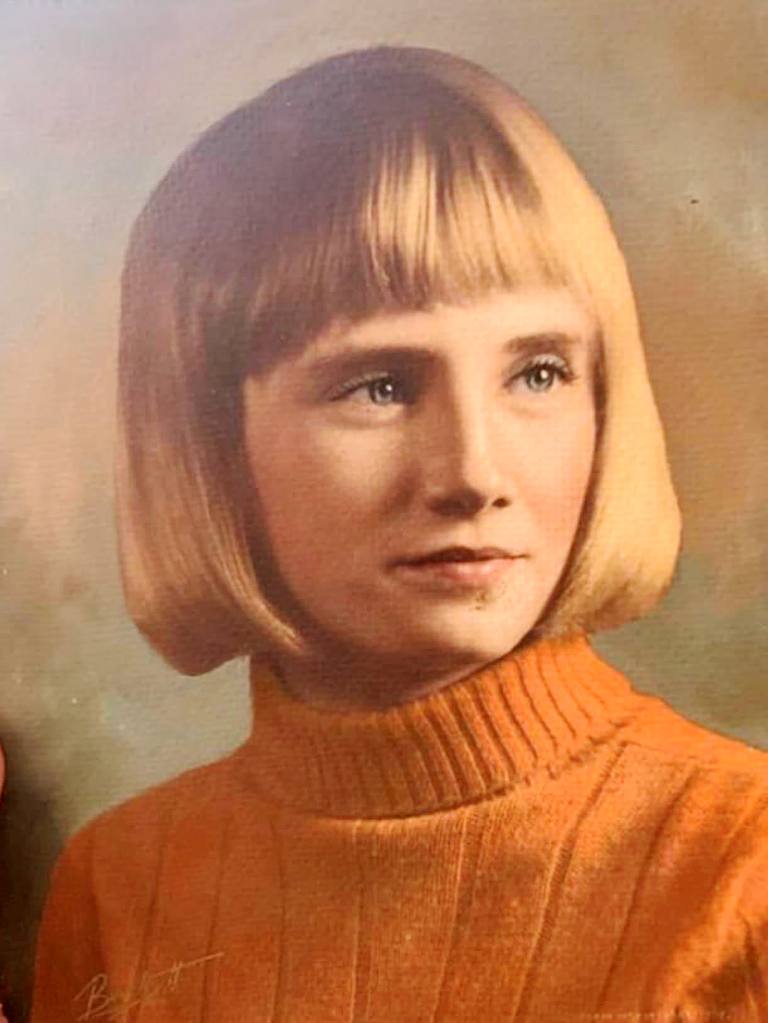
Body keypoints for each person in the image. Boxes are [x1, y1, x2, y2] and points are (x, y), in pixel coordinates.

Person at [30, 46, 768, 1022]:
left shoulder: (741, 866)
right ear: (212, 443)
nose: (473, 475)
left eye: (538, 373)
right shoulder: (122, 882)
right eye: (380, 385)